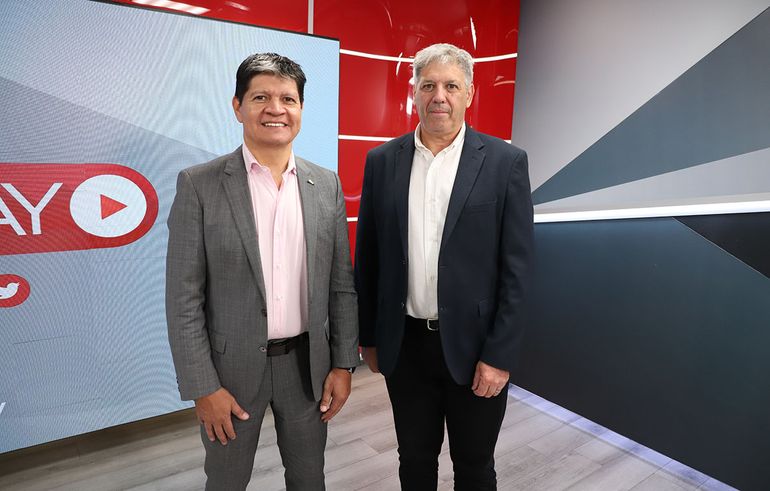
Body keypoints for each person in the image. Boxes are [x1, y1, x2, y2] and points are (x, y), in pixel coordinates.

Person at [166, 53, 358, 491]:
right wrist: (202, 387)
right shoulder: (199, 184)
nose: (276, 109)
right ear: (238, 106)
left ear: (302, 109)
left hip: (307, 369)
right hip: (228, 376)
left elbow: (341, 286)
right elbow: (183, 300)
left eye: (288, 98)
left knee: (310, 479)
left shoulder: (325, 184)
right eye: (261, 97)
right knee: (227, 481)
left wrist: (344, 363)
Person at [354, 43, 534, 490]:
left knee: (474, 465)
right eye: (429, 85)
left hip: (476, 350)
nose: (440, 95)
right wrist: (370, 338)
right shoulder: (381, 162)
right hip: (406, 346)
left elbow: (518, 269)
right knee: (414, 459)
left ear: (469, 93)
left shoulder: (505, 162)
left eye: (451, 85)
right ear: (413, 92)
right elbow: (369, 257)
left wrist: (499, 355)